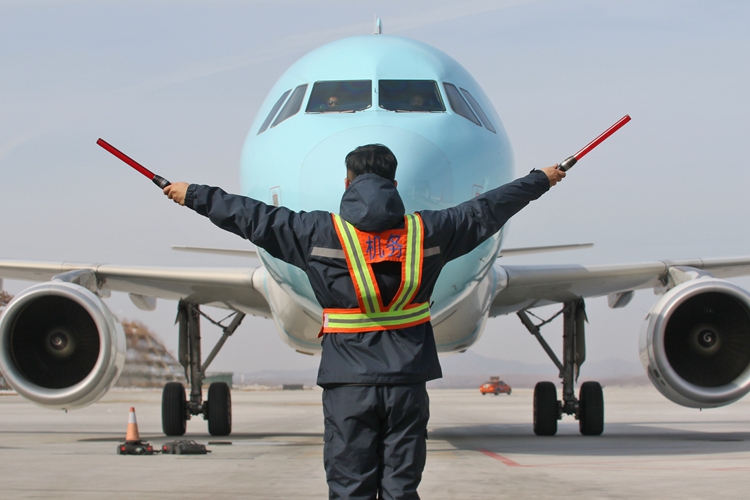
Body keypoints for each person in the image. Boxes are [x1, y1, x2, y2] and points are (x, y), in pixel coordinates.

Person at [164, 145, 564, 499]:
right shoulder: (428, 232)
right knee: (401, 486)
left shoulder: (315, 232)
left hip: (348, 382)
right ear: (393, 181)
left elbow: (252, 217)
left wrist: (193, 195)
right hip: (408, 380)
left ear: (347, 181)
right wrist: (540, 179)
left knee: (350, 484)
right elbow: (488, 210)